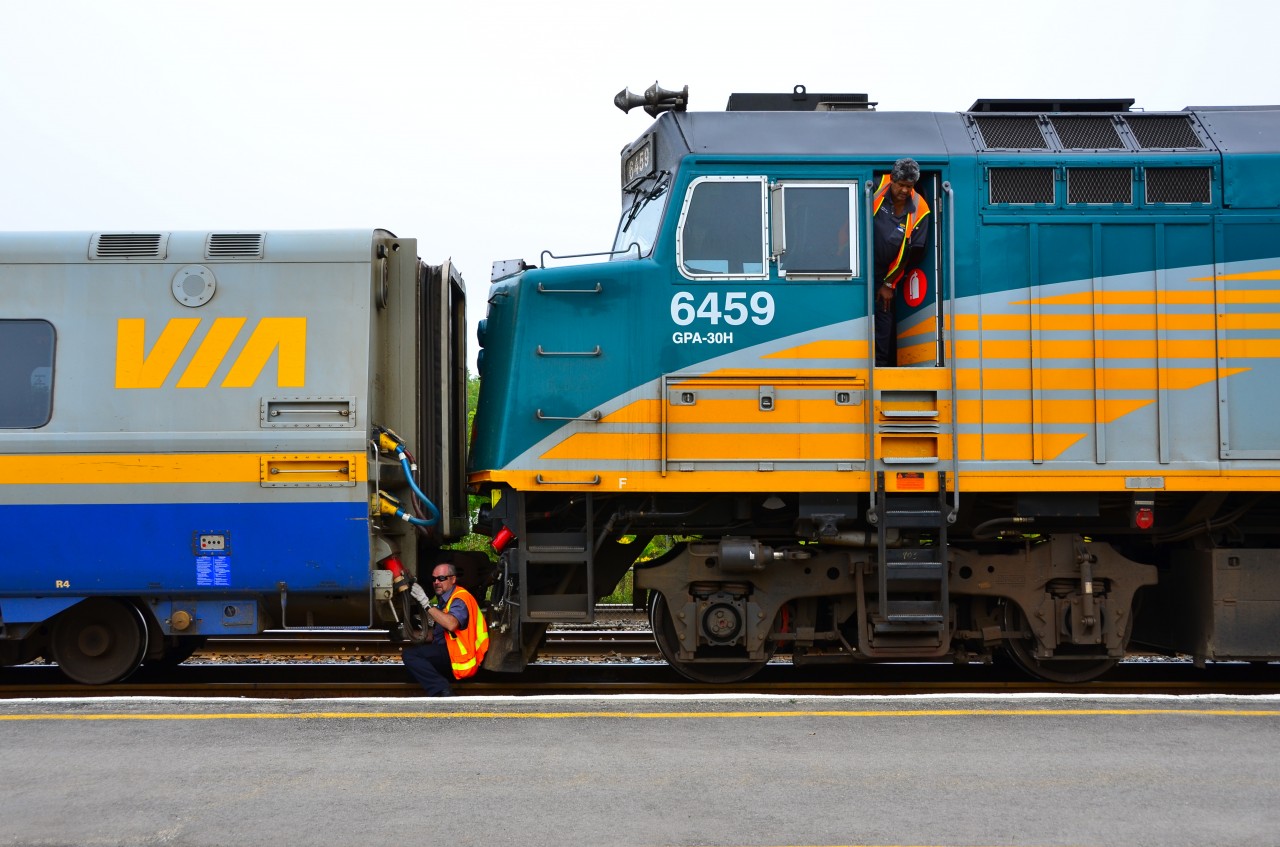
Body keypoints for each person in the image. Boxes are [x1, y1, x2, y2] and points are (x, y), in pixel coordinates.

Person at [873, 157, 931, 367]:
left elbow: (913, 252)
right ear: (893, 180)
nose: (905, 191)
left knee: (884, 312)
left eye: (910, 186)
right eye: (901, 185)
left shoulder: (921, 209)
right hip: (861, 264)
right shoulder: (877, 185)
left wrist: (890, 283)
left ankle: (880, 364)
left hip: (887, 273)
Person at [401, 563, 488, 696]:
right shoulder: (446, 600)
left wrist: (426, 603)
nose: (436, 582)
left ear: (453, 579)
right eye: (434, 579)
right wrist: (407, 633)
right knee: (412, 667)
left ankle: (442, 690)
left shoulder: (460, 598)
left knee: (411, 656)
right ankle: (439, 685)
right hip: (452, 652)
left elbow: (452, 624)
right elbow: (437, 635)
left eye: (441, 578)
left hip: (462, 656)